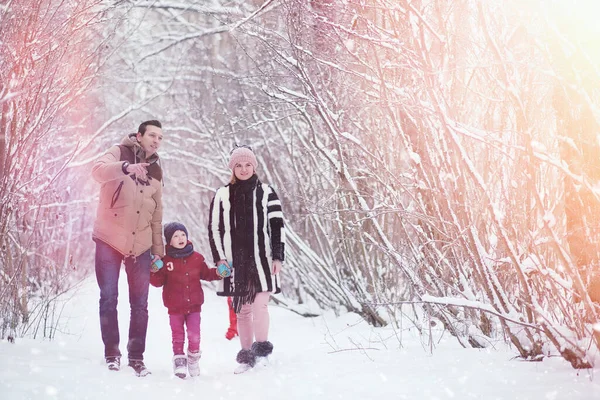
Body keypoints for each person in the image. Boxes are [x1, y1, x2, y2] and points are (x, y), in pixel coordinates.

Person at [91, 120, 164, 377]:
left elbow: (157, 214)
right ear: (139, 135)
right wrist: (125, 167)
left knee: (140, 304)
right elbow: (97, 171)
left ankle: (136, 357)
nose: (156, 140)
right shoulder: (118, 151)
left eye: (160, 137)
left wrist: (158, 250)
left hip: (141, 244)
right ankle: (112, 353)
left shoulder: (156, 169)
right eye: (152, 135)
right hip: (109, 238)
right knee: (109, 298)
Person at [208, 144, 285, 374]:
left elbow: (277, 225)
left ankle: (262, 352)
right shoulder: (222, 194)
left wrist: (278, 256)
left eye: (247, 164)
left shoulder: (267, 192)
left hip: (263, 260)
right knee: (242, 310)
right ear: (233, 168)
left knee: (261, 305)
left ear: (254, 166)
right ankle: (246, 357)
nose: (243, 169)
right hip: (234, 263)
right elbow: (214, 229)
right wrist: (220, 259)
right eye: (238, 165)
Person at [150, 222, 230, 379]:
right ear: (169, 241)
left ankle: (193, 359)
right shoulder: (166, 261)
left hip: (194, 306)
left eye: (183, 235)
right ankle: (179, 360)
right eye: (175, 236)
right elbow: (157, 282)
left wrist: (220, 273)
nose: (180, 238)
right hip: (174, 307)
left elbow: (207, 274)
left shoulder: (197, 258)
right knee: (177, 335)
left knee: (194, 335)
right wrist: (153, 270)